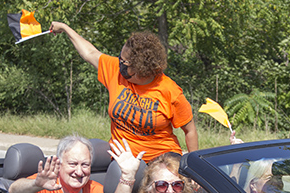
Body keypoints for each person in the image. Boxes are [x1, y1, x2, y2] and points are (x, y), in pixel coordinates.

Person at [49, 22, 198, 162]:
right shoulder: (116, 72)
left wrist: (194, 169)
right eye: (120, 58)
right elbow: (90, 53)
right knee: (85, 158)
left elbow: (190, 131)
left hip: (161, 159)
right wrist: (65, 28)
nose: (119, 63)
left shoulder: (170, 91)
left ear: (141, 68)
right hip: (123, 157)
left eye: (124, 62)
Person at [8, 135, 110, 193]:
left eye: (85, 165)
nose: (79, 172)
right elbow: (14, 190)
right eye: (73, 164)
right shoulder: (45, 184)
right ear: (59, 164)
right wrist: (35, 185)